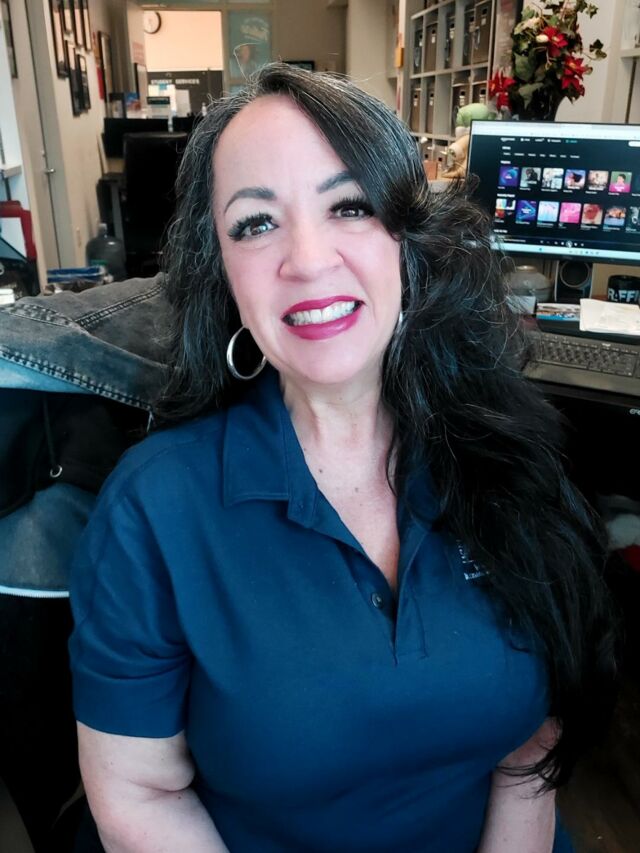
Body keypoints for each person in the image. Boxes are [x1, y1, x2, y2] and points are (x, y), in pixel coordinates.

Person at [69, 64, 616, 853]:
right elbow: (137, 795)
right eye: (256, 223)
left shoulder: (503, 449)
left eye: (350, 206)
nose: (308, 258)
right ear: (220, 268)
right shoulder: (155, 511)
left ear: (409, 240)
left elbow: (529, 751)